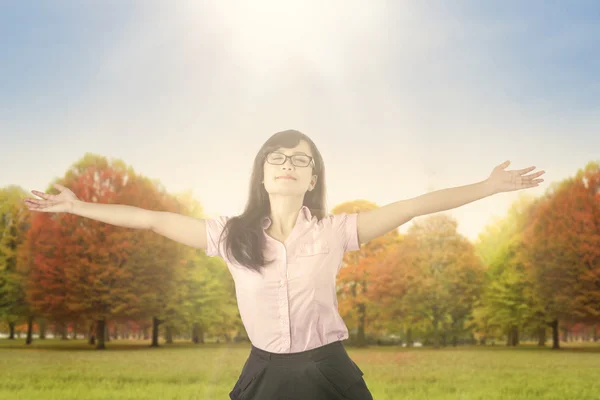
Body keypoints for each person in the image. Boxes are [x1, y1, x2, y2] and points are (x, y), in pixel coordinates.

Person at [24, 129, 545, 399]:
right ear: (263, 174)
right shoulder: (230, 236)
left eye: (302, 160)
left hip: (328, 368)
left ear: (313, 178)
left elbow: (411, 206)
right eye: (279, 158)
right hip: (266, 372)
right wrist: (75, 206)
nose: (290, 165)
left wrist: (488, 186)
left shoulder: (338, 231)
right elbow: (151, 218)